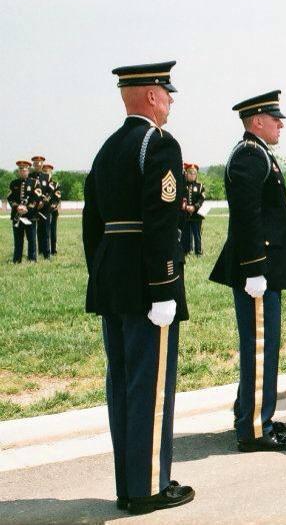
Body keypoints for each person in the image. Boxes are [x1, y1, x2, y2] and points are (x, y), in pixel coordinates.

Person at [82, 61, 194, 514]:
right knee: (150, 385)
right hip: (149, 282)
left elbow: (92, 223)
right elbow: (161, 218)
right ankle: (149, 487)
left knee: (123, 382)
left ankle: (128, 485)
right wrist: (165, 284)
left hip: (113, 277)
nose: (169, 101)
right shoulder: (159, 143)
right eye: (166, 93)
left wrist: (103, 272)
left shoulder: (107, 148)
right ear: (150, 95)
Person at [210, 90, 286, 452]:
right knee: (260, 347)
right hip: (257, 271)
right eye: (275, 118)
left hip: (262, 269)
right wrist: (254, 270)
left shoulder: (257, 153)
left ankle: (252, 412)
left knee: (263, 347)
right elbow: (247, 218)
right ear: (257, 121)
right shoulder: (250, 155)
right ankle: (253, 428)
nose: (280, 124)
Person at [7, 160, 39, 263]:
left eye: (24, 169)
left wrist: (27, 209)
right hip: (17, 215)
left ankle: (32, 259)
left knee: (32, 239)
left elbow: (36, 198)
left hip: (30, 216)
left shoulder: (34, 183)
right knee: (18, 240)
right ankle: (17, 260)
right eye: (20, 169)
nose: (22, 171)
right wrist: (17, 207)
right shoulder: (13, 183)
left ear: (28, 170)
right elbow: (10, 198)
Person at [29, 155, 52, 259]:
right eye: (36, 163)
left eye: (40, 163)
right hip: (33, 209)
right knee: (34, 231)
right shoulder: (29, 176)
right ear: (33, 164)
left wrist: (43, 201)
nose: (38, 164)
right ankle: (36, 253)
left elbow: (50, 191)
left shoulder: (47, 177)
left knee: (45, 231)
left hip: (44, 208)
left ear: (42, 164)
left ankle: (46, 254)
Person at [180, 162, 206, 256]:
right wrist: (186, 207)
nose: (192, 175)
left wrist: (195, 207)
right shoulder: (182, 186)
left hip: (196, 215)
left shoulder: (200, 186)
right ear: (186, 173)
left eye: (194, 173)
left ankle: (198, 251)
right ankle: (186, 251)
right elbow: (180, 197)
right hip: (185, 214)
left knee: (197, 234)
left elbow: (202, 198)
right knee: (186, 234)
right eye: (190, 173)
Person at [42, 163, 62, 255]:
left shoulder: (55, 184)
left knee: (52, 231)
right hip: (43, 211)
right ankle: (44, 250)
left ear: (51, 173)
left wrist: (53, 205)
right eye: (44, 172)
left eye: (48, 172)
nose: (46, 174)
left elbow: (57, 197)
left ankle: (53, 250)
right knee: (44, 231)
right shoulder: (41, 185)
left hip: (53, 212)